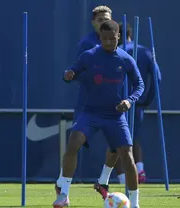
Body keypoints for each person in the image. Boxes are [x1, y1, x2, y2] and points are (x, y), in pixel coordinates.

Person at [53, 20, 144, 208]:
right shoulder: (89, 55)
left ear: (119, 36)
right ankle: (64, 194)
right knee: (73, 142)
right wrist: (68, 74)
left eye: (112, 38)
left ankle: (134, 204)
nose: (109, 42)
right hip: (90, 112)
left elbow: (139, 85)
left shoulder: (126, 59)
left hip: (115, 115)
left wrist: (129, 101)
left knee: (127, 155)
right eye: (105, 39)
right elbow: (72, 72)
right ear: (99, 38)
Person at [55, 5, 120, 199]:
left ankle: (103, 181)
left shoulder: (117, 42)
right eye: (99, 20)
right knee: (76, 144)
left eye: (106, 19)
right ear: (93, 22)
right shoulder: (86, 44)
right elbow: (78, 71)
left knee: (117, 146)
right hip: (88, 103)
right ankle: (62, 184)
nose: (102, 22)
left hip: (112, 104)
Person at [94, 22, 162, 198]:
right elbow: (157, 77)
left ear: (118, 35)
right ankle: (139, 170)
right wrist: (146, 100)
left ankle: (123, 179)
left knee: (116, 143)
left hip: (114, 105)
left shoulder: (115, 52)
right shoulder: (145, 51)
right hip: (135, 103)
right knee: (131, 138)